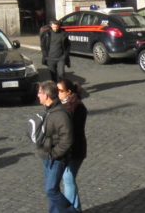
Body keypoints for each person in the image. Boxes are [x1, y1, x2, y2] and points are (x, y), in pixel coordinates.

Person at [34, 80, 78, 213]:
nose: (37, 95)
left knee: (51, 190)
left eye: (40, 93)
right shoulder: (49, 110)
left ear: (47, 96)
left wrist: (54, 154)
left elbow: (67, 140)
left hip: (56, 158)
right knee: (53, 189)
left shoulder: (60, 114)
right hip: (47, 156)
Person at [57, 79, 87, 211]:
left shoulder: (77, 107)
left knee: (68, 179)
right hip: (70, 149)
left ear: (69, 92)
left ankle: (73, 209)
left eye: (60, 91)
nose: (57, 93)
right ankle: (75, 208)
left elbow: (72, 131)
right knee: (68, 179)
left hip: (74, 150)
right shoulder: (65, 105)